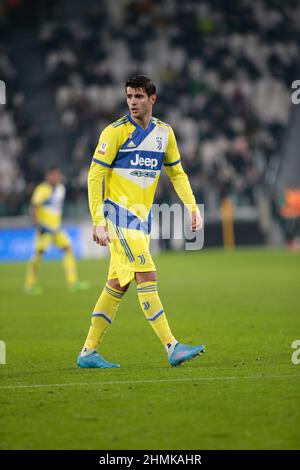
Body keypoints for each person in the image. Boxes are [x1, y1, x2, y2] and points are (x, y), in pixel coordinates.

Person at [77, 74, 205, 368]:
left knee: (116, 286)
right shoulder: (115, 132)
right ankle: (172, 347)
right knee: (147, 274)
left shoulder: (164, 133)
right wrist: (98, 220)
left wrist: (191, 206)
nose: (133, 102)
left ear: (152, 99)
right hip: (118, 218)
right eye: (129, 97)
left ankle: (88, 352)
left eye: (138, 97)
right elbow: (95, 175)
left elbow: (177, 173)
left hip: (142, 221)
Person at [24, 167, 89, 294]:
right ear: (48, 176)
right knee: (38, 254)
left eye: (57, 175)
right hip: (45, 228)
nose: (56, 177)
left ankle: (73, 282)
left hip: (57, 228)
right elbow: (35, 207)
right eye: (53, 175)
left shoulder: (61, 189)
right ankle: (30, 284)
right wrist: (38, 224)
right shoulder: (42, 189)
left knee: (68, 249)